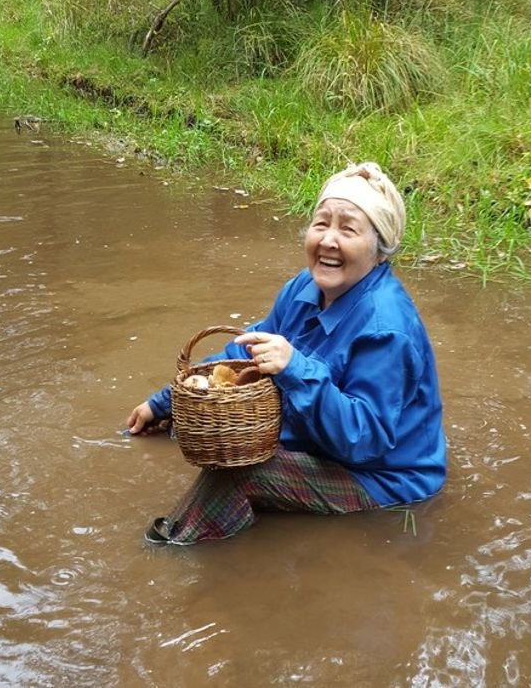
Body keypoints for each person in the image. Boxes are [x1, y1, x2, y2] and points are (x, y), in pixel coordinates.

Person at [126, 162, 447, 544]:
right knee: (202, 428)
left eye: (348, 229)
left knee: (239, 473)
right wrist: (167, 403)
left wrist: (295, 367)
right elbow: (242, 354)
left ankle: (171, 547)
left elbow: (365, 440)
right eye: (321, 223)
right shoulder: (304, 288)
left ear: (380, 251)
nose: (329, 240)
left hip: (381, 475)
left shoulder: (386, 329)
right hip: (322, 442)